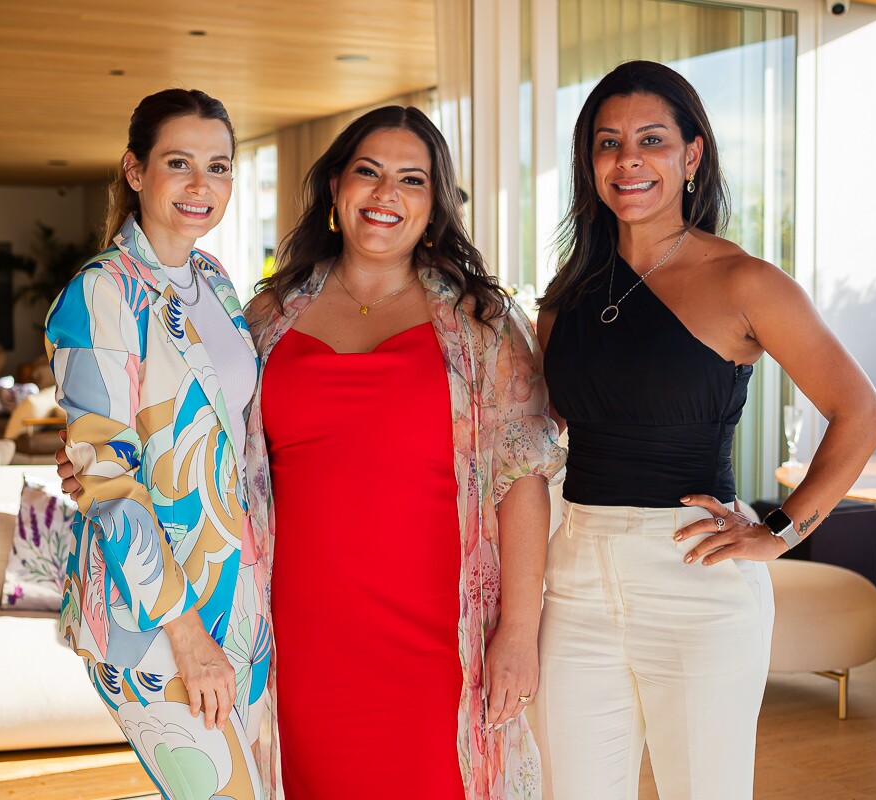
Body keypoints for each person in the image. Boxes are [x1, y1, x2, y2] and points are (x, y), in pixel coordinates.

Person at [59, 105, 565, 798]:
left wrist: (518, 630)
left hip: (440, 635)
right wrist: (93, 464)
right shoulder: (266, 314)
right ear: (335, 187)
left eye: (411, 180)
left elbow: (525, 476)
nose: (387, 195)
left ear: (434, 203)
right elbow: (199, 434)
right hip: (294, 632)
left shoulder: (482, 323)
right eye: (369, 173)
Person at [532, 60, 876, 800]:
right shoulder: (565, 300)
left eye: (652, 140)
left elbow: (862, 413)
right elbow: (547, 434)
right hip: (573, 578)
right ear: (590, 163)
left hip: (695, 575)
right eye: (608, 142)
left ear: (691, 156)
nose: (628, 159)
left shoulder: (744, 282)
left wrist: (782, 530)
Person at [45, 88, 268, 800]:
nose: (203, 185)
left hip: (241, 602)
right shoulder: (101, 294)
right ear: (135, 171)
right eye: (180, 162)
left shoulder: (218, 284)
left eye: (220, 166)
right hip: (159, 621)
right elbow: (107, 481)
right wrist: (187, 635)